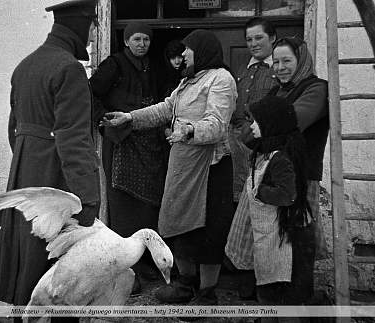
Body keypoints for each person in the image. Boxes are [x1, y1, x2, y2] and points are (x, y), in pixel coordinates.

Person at [101, 29, 237, 306]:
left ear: (203, 50)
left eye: (188, 50)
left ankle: (207, 292)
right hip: (183, 164)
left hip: (210, 168)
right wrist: (129, 117)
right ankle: (185, 284)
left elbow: (217, 124)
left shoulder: (221, 79)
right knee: (178, 223)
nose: (184, 54)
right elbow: (165, 109)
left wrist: (188, 131)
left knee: (209, 229)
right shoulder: (188, 81)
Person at [0, 0, 101, 315]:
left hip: (25, 173)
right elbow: (75, 140)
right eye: (93, 26)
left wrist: (30, 164)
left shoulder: (25, 65)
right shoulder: (69, 69)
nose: (94, 34)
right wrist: (87, 199)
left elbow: (14, 129)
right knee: (54, 274)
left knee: (27, 262)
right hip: (55, 180)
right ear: (80, 26)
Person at [226, 36, 329, 311]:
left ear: (301, 61)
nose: (281, 67)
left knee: (295, 242)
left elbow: (293, 121)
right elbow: (248, 135)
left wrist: (262, 128)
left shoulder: (316, 89)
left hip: (299, 177)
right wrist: (260, 130)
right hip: (267, 175)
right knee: (268, 245)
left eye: (287, 61)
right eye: (276, 62)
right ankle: (274, 305)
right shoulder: (275, 93)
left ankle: (296, 304)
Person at [90, 22, 168, 290]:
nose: (142, 44)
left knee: (149, 205)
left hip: (149, 145)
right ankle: (126, 271)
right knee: (122, 204)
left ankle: (146, 264)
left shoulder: (152, 66)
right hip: (122, 143)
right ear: (126, 41)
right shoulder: (113, 65)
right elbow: (91, 92)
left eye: (146, 39)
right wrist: (103, 121)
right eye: (136, 39)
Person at [225, 16, 279, 300]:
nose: (253, 44)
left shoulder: (280, 70)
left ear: (272, 38)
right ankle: (243, 274)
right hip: (237, 148)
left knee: (262, 212)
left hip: (264, 149)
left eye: (258, 38)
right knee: (239, 209)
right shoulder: (242, 72)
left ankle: (261, 278)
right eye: (248, 39)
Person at [246, 96, 311, 320]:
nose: (251, 126)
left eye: (256, 121)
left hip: (283, 239)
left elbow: (288, 194)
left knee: (281, 293)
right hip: (271, 236)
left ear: (271, 124)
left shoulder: (280, 158)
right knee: (271, 289)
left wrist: (261, 191)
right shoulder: (266, 151)